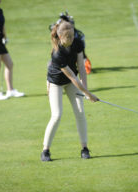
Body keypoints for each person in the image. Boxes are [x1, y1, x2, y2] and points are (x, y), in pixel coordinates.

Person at [41, 21, 98, 162]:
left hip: (71, 82)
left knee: (80, 112)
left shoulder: (77, 43)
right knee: (57, 115)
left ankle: (84, 148)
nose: (72, 40)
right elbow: (72, 77)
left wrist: (86, 89)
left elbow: (81, 67)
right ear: (60, 36)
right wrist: (89, 94)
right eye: (69, 37)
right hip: (55, 83)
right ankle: (45, 151)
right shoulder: (57, 53)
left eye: (73, 36)